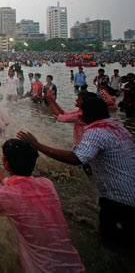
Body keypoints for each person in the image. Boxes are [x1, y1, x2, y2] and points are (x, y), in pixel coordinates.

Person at [17, 95, 135, 249]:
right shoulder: (117, 127)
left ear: (89, 114)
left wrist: (37, 145)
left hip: (119, 198)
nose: (80, 115)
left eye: (82, 112)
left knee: (111, 242)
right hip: (128, 193)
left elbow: (76, 158)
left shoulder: (96, 132)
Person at [0, 141, 85, 272]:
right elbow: (17, 185)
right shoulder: (47, 185)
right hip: (74, 265)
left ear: (5, 162)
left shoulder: (3, 194)